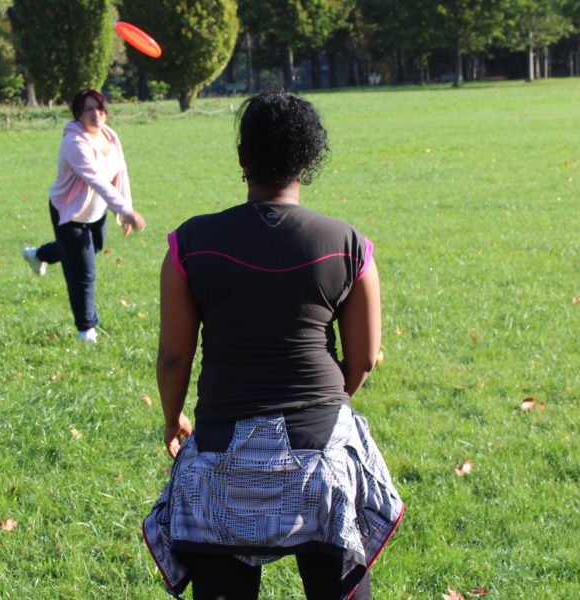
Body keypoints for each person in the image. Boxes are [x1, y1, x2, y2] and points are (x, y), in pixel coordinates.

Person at [142, 92, 404, 600]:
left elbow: (175, 355)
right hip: (320, 452)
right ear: (309, 160)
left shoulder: (191, 243)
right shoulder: (348, 244)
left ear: (242, 158)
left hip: (221, 454)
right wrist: (328, 402)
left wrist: (173, 419)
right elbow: (366, 356)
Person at [22, 89, 146, 344]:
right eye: (88, 109)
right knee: (83, 272)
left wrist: (124, 210)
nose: (95, 114)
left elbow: (119, 174)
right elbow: (97, 179)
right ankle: (86, 329)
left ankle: (38, 255)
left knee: (90, 249)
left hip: (96, 212)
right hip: (69, 213)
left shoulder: (110, 136)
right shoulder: (74, 143)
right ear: (78, 113)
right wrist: (125, 210)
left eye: (99, 108)